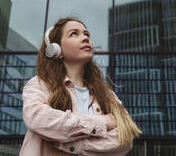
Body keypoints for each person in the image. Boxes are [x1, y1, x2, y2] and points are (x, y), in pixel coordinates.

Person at [19, 17, 141, 156]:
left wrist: (65, 141)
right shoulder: (40, 84)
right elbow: (37, 119)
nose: (85, 38)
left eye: (86, 34)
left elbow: (125, 138)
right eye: (74, 34)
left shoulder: (107, 94)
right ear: (56, 49)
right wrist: (103, 122)